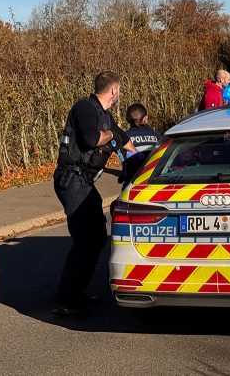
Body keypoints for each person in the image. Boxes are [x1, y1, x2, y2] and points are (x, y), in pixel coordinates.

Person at [53, 71, 134, 316]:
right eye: (119, 89)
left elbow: (122, 139)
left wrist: (142, 161)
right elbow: (92, 138)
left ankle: (77, 293)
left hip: (84, 182)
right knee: (85, 240)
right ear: (114, 90)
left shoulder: (104, 114)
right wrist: (109, 136)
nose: (119, 93)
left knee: (97, 235)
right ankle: (66, 299)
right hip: (72, 180)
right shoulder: (85, 108)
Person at [119, 103, 163, 185]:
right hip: (154, 181)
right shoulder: (157, 136)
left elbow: (123, 159)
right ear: (145, 118)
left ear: (127, 119)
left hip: (132, 182)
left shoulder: (124, 137)